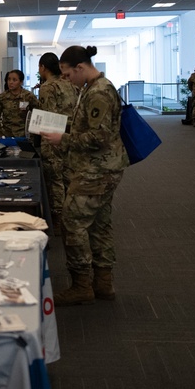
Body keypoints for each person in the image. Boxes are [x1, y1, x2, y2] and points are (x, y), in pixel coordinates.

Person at [41, 46, 128, 306]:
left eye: (68, 74)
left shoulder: (99, 91)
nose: (66, 80)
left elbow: (98, 137)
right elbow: (88, 127)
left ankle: (81, 285)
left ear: (80, 67)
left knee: (72, 223)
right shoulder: (92, 88)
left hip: (96, 170)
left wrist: (63, 139)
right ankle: (103, 283)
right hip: (100, 168)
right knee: (99, 225)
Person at [37, 52, 78, 230]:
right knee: (69, 176)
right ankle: (74, 216)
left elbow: (49, 116)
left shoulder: (47, 87)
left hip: (53, 136)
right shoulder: (70, 84)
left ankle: (59, 221)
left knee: (55, 180)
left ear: (43, 68)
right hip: (71, 136)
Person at [0, 69, 38, 137]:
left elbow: (37, 113)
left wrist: (33, 133)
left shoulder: (28, 96)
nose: (10, 82)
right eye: (9, 79)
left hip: (25, 136)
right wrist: (0, 133)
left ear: (21, 82)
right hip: (7, 136)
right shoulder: (2, 98)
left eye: (14, 80)